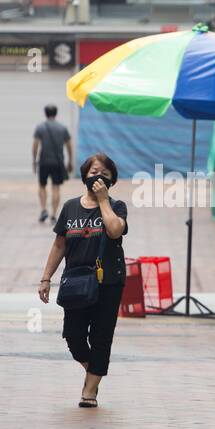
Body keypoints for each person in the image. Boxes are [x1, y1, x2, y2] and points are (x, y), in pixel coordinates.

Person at [37, 154, 128, 408]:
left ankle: (90, 390)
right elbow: (59, 244)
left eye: (104, 174)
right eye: (92, 172)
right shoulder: (69, 207)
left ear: (112, 181)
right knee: (74, 337)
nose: (97, 177)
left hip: (108, 282)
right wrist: (46, 278)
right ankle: (95, 369)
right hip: (76, 282)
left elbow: (114, 230)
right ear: (84, 176)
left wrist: (103, 201)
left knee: (101, 337)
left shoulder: (117, 207)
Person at [33, 104, 73, 223]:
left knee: (42, 186)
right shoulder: (62, 128)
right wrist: (70, 161)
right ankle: (54, 215)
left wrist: (34, 160)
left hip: (44, 162)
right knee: (56, 187)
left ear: (45, 113)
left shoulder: (40, 127)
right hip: (57, 162)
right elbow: (69, 145)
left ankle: (43, 209)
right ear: (56, 113)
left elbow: (35, 145)